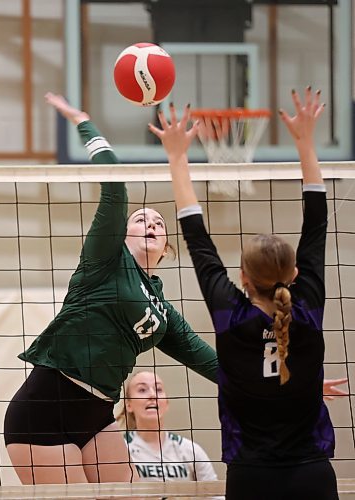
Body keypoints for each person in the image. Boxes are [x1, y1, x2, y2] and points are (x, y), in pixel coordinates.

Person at [3, 93, 219, 486]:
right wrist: (84, 121)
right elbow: (115, 187)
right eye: (141, 219)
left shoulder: (162, 310)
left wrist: (274, 385)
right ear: (121, 233)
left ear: (167, 245)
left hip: (97, 412)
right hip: (45, 409)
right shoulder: (106, 259)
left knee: (129, 496)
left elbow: (208, 361)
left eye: (158, 221)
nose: (151, 223)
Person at [149, 87, 340, 499]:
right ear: (294, 272)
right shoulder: (306, 308)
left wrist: (178, 156)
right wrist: (306, 141)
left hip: (251, 478)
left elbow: (197, 239)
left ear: (243, 279)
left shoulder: (231, 317)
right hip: (312, 476)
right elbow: (317, 223)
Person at [117, 371, 222, 494]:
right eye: (142, 390)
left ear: (166, 403)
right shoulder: (121, 450)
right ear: (128, 405)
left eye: (158, 389)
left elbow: (214, 495)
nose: (152, 395)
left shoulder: (190, 450)